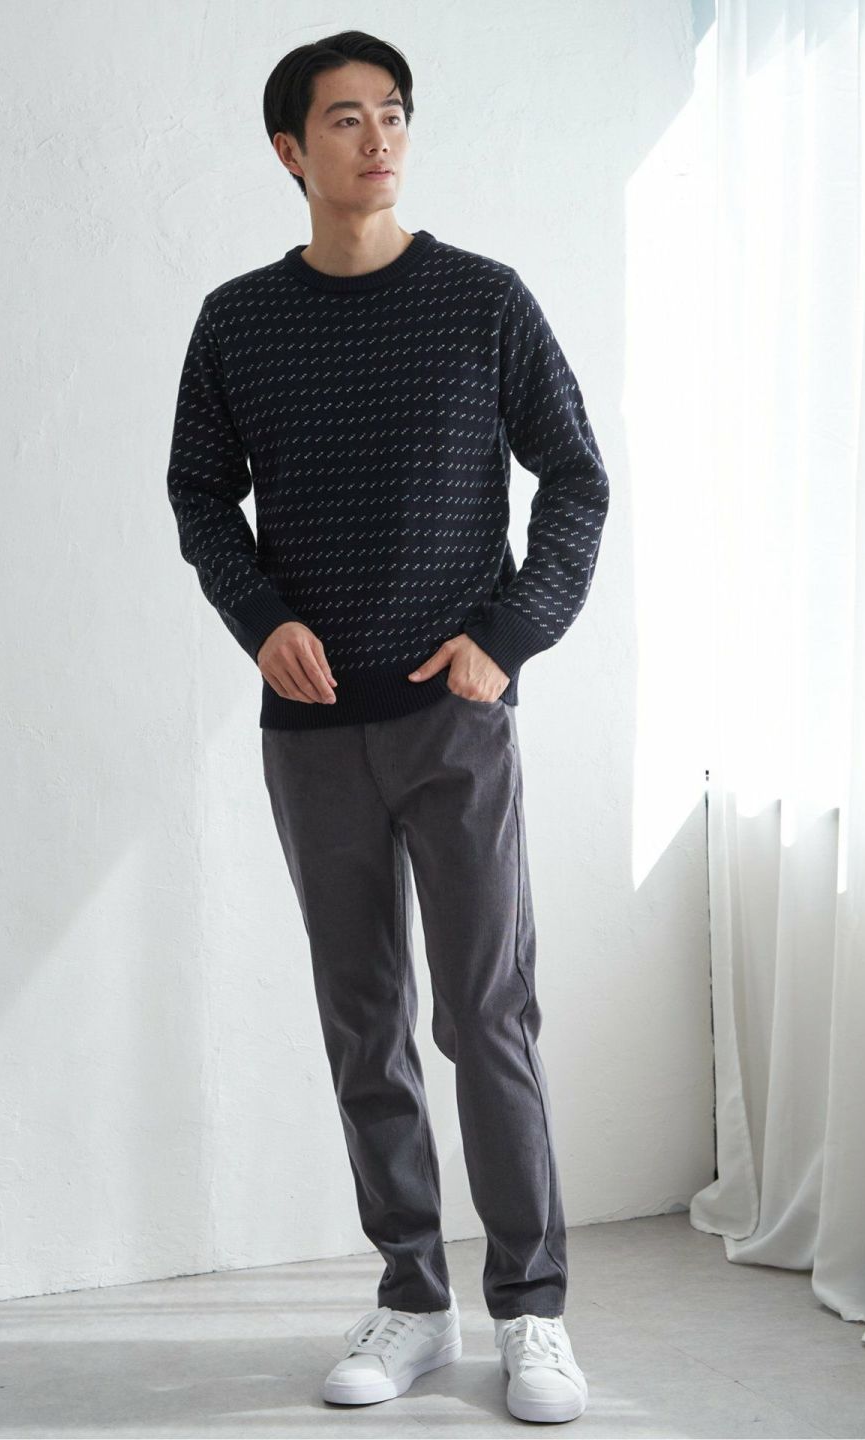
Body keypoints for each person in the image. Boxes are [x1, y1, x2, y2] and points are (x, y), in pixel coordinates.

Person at [165, 29, 610, 1426]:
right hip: (312, 735)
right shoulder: (240, 321)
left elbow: (577, 478)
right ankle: (414, 1298)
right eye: (347, 118)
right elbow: (197, 493)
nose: (379, 139)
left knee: (488, 1018)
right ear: (290, 150)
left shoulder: (483, 301)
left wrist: (509, 636)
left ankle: (531, 1312)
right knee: (365, 1023)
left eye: (395, 114)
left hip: (456, 725)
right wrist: (259, 619)